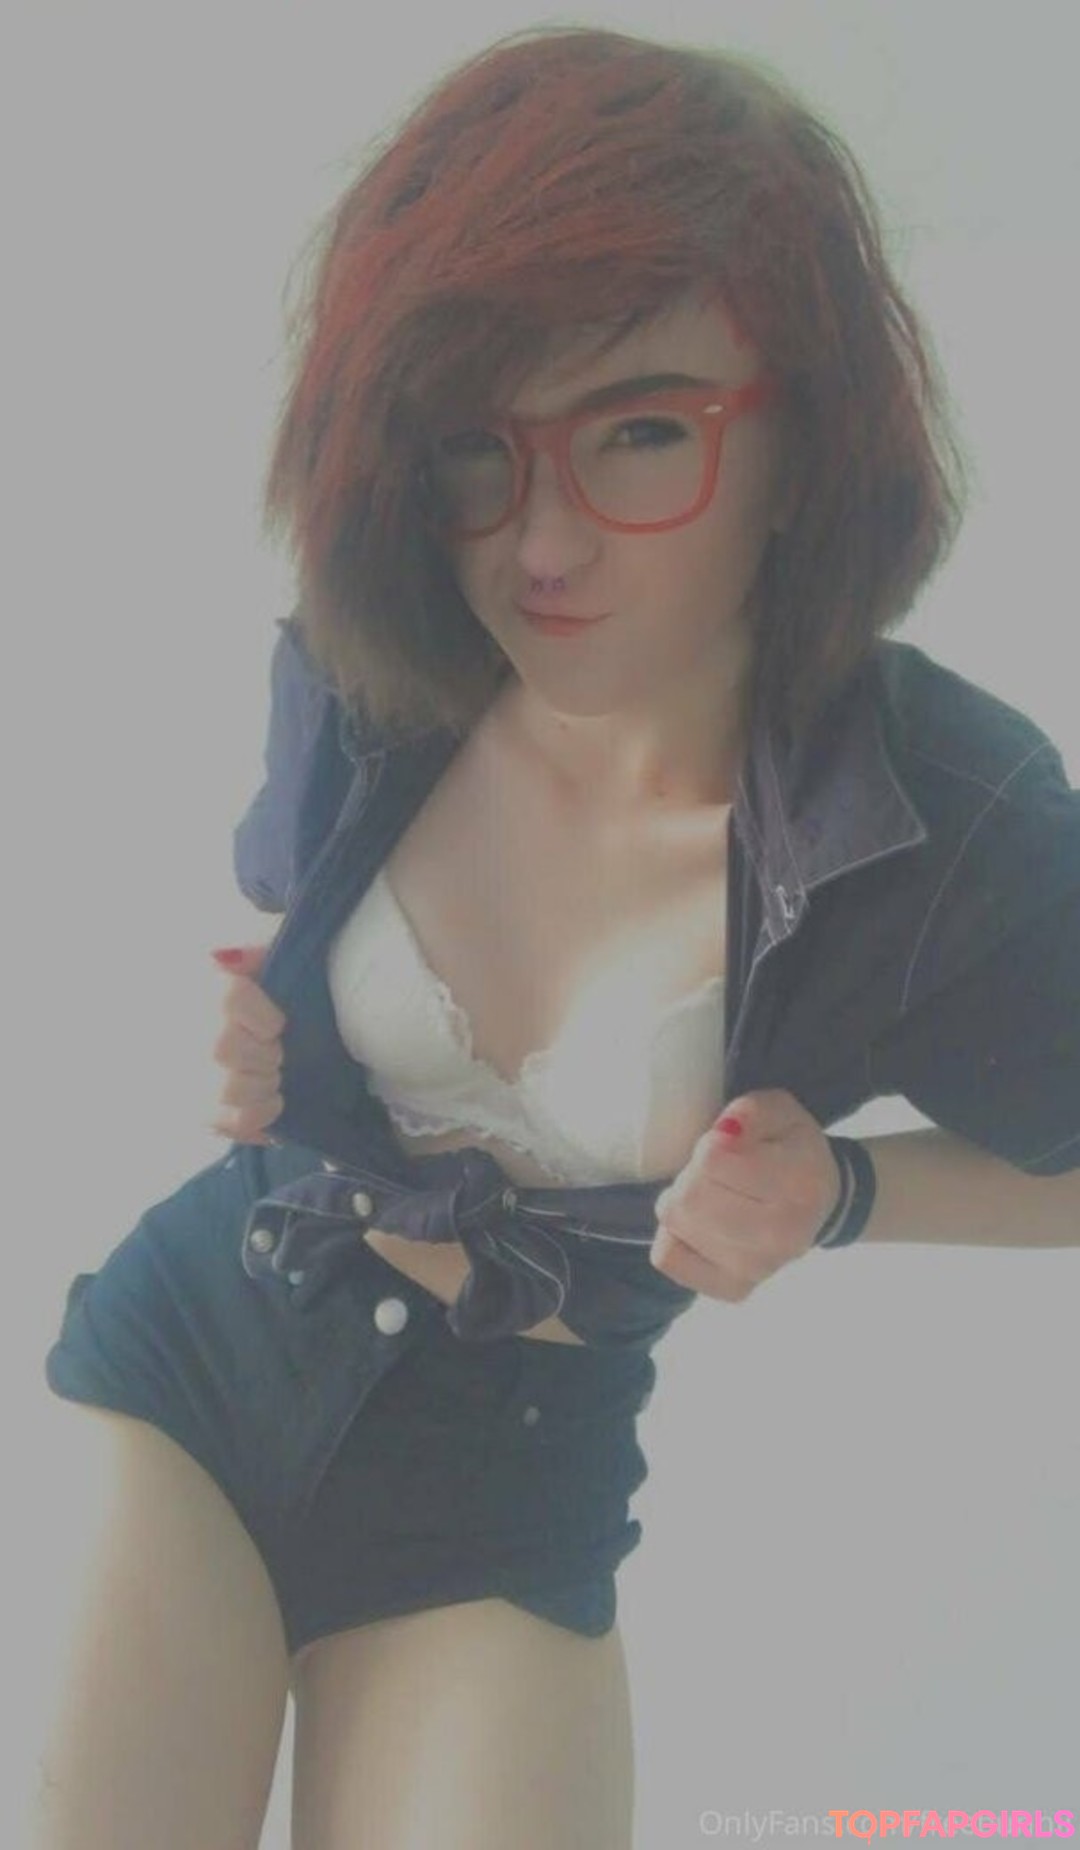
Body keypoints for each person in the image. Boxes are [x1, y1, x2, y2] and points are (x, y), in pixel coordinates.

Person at [33, 24, 1080, 1850]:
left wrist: (841, 1190)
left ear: (804, 443)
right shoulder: (378, 671)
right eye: (478, 450)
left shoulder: (942, 815)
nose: (540, 544)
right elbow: (272, 953)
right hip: (200, 1353)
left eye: (642, 432)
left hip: (505, 1484)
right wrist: (245, 1037)